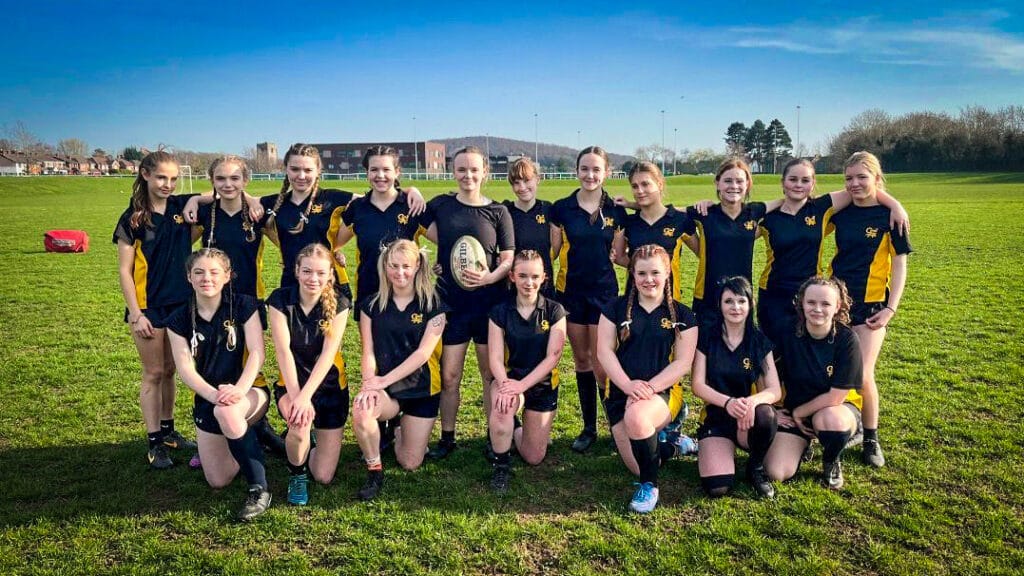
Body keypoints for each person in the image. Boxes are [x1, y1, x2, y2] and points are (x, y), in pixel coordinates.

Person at [420, 146, 515, 459]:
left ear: (485, 172)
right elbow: (416, 220)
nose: (468, 176)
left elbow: (508, 259)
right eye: (462, 170)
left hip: (490, 306)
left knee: (490, 376)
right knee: (450, 376)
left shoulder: (498, 212)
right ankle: (448, 437)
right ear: (453, 172)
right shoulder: (442, 205)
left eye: (474, 170)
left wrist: (490, 278)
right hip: (452, 305)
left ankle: (493, 435)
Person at [165, 249, 271, 521]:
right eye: (198, 272)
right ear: (189, 277)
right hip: (208, 399)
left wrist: (239, 389)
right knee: (218, 480)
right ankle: (250, 436)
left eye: (214, 272)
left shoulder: (245, 306)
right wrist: (214, 395)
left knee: (228, 413)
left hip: (250, 393)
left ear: (227, 276)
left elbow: (258, 353)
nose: (206, 278)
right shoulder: (178, 319)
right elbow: (185, 368)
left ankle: (259, 489)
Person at [756, 158, 908, 347]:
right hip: (773, 296)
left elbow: (862, 188)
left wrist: (896, 205)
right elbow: (735, 229)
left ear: (813, 184)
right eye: (792, 179)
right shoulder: (768, 218)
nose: (798, 184)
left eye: (805, 180)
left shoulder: (822, 208)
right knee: (770, 358)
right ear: (783, 182)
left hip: (812, 297)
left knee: (807, 361)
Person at [193, 155, 284, 461]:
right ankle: (214, 432)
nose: (228, 184)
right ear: (212, 182)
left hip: (249, 302)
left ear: (246, 181)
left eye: (235, 178)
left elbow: (288, 246)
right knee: (214, 365)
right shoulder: (205, 213)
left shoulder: (258, 215)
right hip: (211, 305)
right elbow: (180, 245)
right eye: (221, 179)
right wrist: (194, 198)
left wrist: (333, 256)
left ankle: (260, 428)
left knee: (250, 367)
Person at [597, 245, 698, 513]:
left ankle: (649, 486)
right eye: (641, 273)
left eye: (655, 272)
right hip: (621, 391)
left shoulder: (682, 315)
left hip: (662, 392)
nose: (648, 279)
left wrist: (650, 388)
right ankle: (673, 445)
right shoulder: (614, 308)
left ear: (667, 272)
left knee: (638, 420)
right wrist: (628, 385)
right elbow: (604, 352)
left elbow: (683, 363)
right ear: (632, 274)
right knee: (637, 460)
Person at [826, 151, 911, 468]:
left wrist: (891, 308)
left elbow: (900, 265)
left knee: (862, 374)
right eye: (849, 178)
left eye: (862, 177)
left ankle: (871, 439)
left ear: (877, 178)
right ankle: (834, 427)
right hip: (836, 306)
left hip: (873, 307)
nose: (855, 184)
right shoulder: (842, 213)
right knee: (831, 370)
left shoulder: (892, 218)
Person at [113, 150, 197, 469]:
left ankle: (169, 430)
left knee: (172, 370)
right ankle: (154, 443)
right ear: (145, 174)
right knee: (154, 373)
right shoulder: (132, 218)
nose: (168, 184)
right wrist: (136, 313)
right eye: (162, 177)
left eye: (174, 179)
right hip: (148, 308)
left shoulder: (179, 207)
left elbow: (213, 193)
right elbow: (124, 271)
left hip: (180, 305)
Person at [259, 143, 425, 299]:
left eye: (308, 169)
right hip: (291, 280)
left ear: (318, 171)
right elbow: (243, 200)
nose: (301, 175)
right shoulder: (273, 203)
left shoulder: (334, 198)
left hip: (330, 281)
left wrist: (410, 190)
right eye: (295, 169)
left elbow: (377, 197)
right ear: (285, 169)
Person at [350, 240, 446, 501]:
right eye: (394, 266)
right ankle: (374, 470)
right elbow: (367, 351)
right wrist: (369, 383)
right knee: (362, 410)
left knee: (410, 462)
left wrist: (382, 380)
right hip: (387, 391)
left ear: (417, 267)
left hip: (421, 388)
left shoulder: (433, 304)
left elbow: (423, 354)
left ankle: (398, 430)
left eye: (406, 266)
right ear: (385, 266)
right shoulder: (371, 305)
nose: (400, 272)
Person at [549, 146, 627, 453]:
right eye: (584, 169)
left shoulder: (617, 211)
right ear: (576, 171)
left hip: (605, 295)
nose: (590, 175)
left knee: (602, 363)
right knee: (582, 360)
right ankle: (588, 427)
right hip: (570, 294)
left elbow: (620, 255)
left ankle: (615, 426)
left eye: (596, 169)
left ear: (606, 172)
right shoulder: (562, 208)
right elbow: (552, 253)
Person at [267, 243, 351, 506]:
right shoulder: (280, 300)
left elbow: (328, 356)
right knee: (299, 423)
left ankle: (303, 444)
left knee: (324, 476)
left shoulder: (341, 303)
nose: (313, 279)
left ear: (330, 275)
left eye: (320, 273)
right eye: (307, 271)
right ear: (296, 271)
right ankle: (297, 474)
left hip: (329, 389)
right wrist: (297, 398)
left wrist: (307, 397)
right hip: (292, 384)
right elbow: (283, 352)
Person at [764, 276, 864, 490]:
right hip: (794, 410)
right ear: (801, 303)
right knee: (776, 471)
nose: (817, 309)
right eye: (811, 302)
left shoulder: (847, 339)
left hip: (835, 409)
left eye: (825, 304)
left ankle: (831, 459)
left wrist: (801, 412)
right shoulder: (786, 331)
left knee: (831, 422)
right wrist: (771, 409)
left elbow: (836, 396)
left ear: (837, 306)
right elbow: (765, 370)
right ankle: (803, 445)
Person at [691, 277, 781, 499]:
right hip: (717, 417)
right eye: (728, 301)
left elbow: (774, 390)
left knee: (766, 413)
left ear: (750, 305)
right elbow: (697, 385)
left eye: (741, 301)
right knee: (717, 487)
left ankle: (756, 467)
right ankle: (720, 449)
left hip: (746, 418)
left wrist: (751, 402)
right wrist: (727, 403)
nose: (735, 307)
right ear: (719, 305)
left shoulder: (759, 341)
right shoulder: (707, 338)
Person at [486, 250, 568, 493]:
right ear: (512, 276)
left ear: (544, 277)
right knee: (503, 408)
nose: (528, 283)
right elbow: (495, 357)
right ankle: (501, 467)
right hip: (509, 380)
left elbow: (553, 356)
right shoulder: (500, 311)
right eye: (522, 276)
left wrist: (523, 386)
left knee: (534, 457)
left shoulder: (554, 311)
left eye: (534, 276)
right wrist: (506, 384)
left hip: (541, 385)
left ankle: (516, 426)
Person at [502, 158, 554, 298]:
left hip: (543, 286)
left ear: (537, 179)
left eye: (526, 180)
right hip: (513, 288)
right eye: (516, 183)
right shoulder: (504, 211)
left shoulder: (549, 210)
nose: (522, 187)